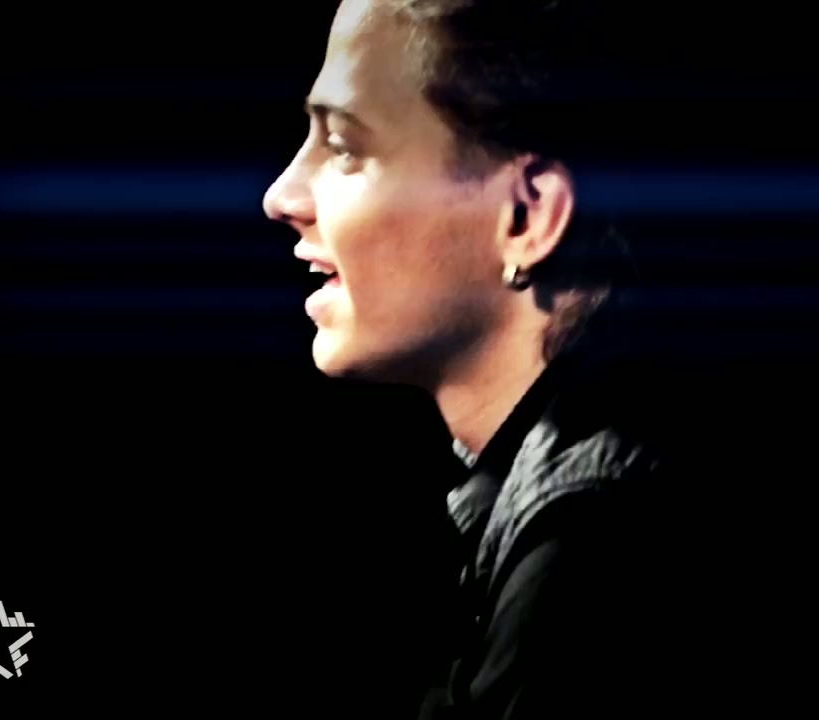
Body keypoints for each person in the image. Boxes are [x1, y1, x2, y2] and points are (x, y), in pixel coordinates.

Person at [262, 1, 687, 716]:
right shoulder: (563, 502)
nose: (282, 196)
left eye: (344, 147)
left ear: (526, 215)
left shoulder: (589, 558)